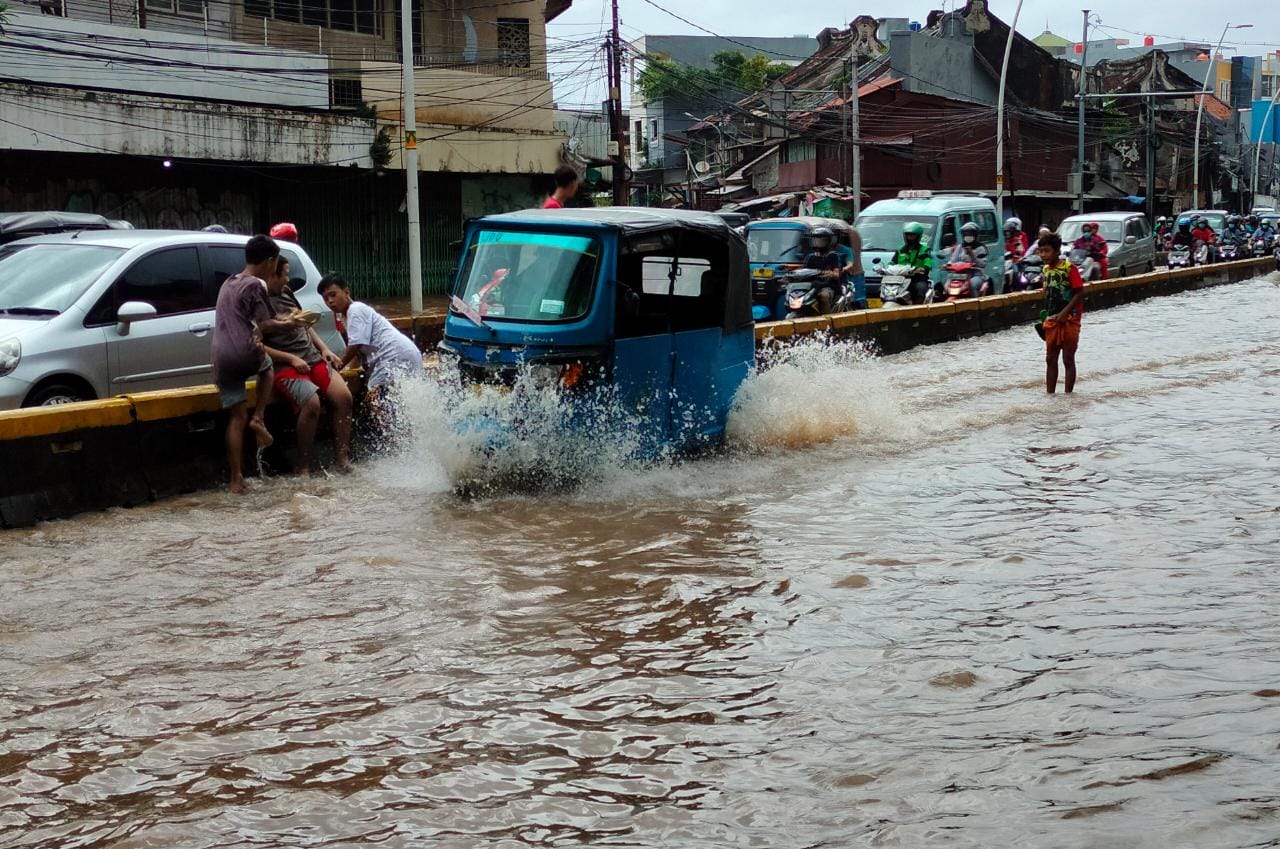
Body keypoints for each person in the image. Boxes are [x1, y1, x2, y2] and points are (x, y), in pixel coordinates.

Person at [212, 235, 304, 494]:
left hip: (221, 357)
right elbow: (265, 324)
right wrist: (290, 323)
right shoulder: (256, 284)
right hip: (244, 352)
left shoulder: (229, 282)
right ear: (269, 261)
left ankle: (235, 479)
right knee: (266, 367)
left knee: (235, 417)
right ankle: (260, 418)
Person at [261, 255, 354, 477]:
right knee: (311, 403)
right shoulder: (258, 301)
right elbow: (256, 344)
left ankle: (342, 458)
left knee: (344, 397)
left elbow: (305, 324)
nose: (287, 280)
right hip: (285, 364)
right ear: (272, 273)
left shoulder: (286, 293)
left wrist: (324, 349)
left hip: (311, 358)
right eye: (284, 274)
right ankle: (302, 465)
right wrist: (291, 358)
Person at [317, 273, 423, 440]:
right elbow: (357, 350)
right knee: (396, 399)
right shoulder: (347, 314)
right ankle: (405, 436)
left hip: (394, 355)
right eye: (325, 298)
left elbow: (356, 344)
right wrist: (350, 369)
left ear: (346, 292)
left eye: (333, 295)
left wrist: (339, 366)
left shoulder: (355, 309)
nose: (330, 301)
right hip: (404, 353)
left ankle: (397, 439)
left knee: (374, 397)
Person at [1036, 232, 1085, 395]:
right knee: (1050, 359)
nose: (1043, 255)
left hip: (1070, 319)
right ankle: (1050, 395)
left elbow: (1079, 293)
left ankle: (1068, 396)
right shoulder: (1045, 270)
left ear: (1057, 251)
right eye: (1041, 251)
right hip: (1051, 320)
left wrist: (1064, 313)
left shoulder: (1069, 268)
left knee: (1067, 359)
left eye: (1047, 251)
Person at [802, 226, 843, 314]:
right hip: (812, 285)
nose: (818, 243)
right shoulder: (810, 257)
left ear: (828, 241)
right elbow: (803, 271)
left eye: (821, 240)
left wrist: (830, 274)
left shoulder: (833, 256)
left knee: (823, 296)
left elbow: (836, 273)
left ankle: (826, 322)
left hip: (827, 285)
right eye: (816, 240)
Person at [891, 221, 933, 301]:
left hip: (917, 279)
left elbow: (928, 261)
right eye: (907, 235)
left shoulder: (924, 250)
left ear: (918, 236)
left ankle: (919, 310)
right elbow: (892, 262)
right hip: (901, 280)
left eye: (912, 235)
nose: (909, 237)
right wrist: (885, 269)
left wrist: (924, 268)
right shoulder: (900, 250)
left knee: (920, 289)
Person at [948, 221, 989, 295]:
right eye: (966, 234)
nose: (967, 236)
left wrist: (972, 254)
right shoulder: (960, 247)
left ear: (975, 235)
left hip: (976, 275)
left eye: (970, 234)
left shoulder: (980, 248)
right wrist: (948, 265)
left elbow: (982, 264)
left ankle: (975, 302)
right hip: (961, 275)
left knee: (972, 284)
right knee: (948, 283)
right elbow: (953, 259)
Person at [836, 225, 866, 309]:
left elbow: (850, 263)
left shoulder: (845, 250)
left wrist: (844, 269)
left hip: (845, 277)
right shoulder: (818, 251)